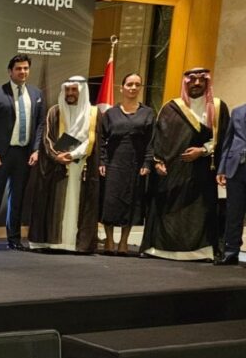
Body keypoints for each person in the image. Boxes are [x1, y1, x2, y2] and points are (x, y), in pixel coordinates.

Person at [143, 68, 229, 261]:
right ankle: (161, 250)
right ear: (186, 83)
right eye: (193, 80)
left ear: (207, 83)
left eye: (201, 80)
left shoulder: (217, 107)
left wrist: (203, 150)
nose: (197, 83)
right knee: (170, 211)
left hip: (203, 172)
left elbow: (224, 138)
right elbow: (159, 138)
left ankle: (201, 252)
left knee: (199, 214)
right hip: (174, 173)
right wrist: (158, 161)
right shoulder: (171, 107)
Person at [27, 76, 101, 253]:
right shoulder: (55, 111)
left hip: (82, 165)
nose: (70, 93)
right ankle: (54, 242)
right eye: (67, 90)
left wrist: (74, 154)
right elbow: (46, 138)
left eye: (74, 89)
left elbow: (93, 139)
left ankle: (75, 243)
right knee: (57, 202)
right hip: (57, 166)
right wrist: (57, 156)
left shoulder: (93, 113)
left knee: (77, 202)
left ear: (81, 91)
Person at [0, 54, 45, 250]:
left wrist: (36, 149)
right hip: (1, 153)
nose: (23, 72)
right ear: (10, 71)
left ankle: (14, 239)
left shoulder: (36, 94)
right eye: (18, 68)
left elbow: (40, 124)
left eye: (26, 68)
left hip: (24, 154)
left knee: (17, 198)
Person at [98, 73, 154, 256]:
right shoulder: (110, 113)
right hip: (113, 163)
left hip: (136, 164)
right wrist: (102, 161)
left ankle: (123, 242)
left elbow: (151, 141)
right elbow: (102, 139)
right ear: (121, 88)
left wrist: (147, 162)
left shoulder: (147, 113)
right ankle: (109, 240)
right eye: (129, 84)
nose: (133, 88)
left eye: (137, 84)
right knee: (110, 202)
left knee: (131, 202)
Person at [216, 102, 246, 265]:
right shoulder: (237, 111)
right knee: (234, 212)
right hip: (236, 167)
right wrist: (222, 169)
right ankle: (230, 251)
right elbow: (227, 142)